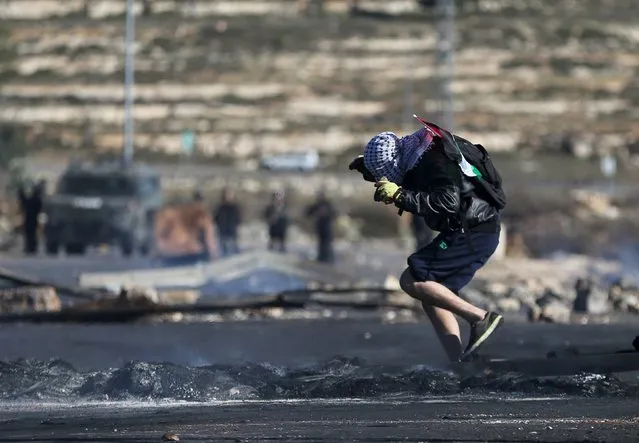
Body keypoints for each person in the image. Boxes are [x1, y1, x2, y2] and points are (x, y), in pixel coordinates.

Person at [349, 119, 505, 362]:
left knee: (412, 279)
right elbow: (399, 171)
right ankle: (459, 362)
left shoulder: (434, 161)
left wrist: (400, 196)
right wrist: (366, 168)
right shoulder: (420, 151)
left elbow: (447, 202)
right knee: (432, 295)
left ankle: (480, 318)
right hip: (476, 230)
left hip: (472, 232)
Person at [306, 190, 337, 263]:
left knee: (327, 244)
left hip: (327, 228)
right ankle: (321, 259)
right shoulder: (317, 205)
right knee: (320, 244)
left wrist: (326, 213)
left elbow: (333, 214)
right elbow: (308, 213)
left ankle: (329, 259)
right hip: (320, 228)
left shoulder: (328, 204)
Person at [17, 179, 45, 255]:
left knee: (30, 233)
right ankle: (31, 247)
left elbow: (23, 200)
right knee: (30, 233)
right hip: (31, 218)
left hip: (30, 218)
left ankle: (31, 247)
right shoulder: (35, 200)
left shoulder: (34, 201)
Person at [214, 187, 242, 256]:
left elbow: (238, 219)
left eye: (230, 195)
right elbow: (216, 218)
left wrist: (236, 227)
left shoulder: (235, 207)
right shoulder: (220, 207)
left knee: (234, 249)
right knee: (224, 250)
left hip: (232, 231)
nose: (228, 197)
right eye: (227, 195)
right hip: (223, 231)